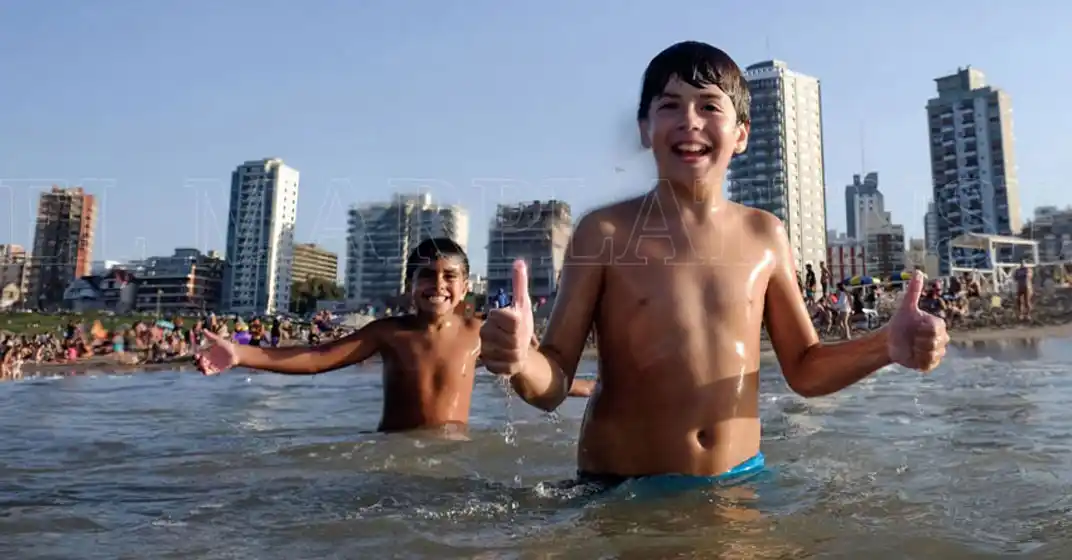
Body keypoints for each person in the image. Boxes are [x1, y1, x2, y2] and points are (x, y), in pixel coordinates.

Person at [480, 41, 948, 484]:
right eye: (669, 106)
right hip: (623, 491)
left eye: (709, 105)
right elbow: (556, 379)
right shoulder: (604, 233)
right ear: (644, 130)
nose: (690, 121)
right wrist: (523, 361)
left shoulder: (765, 234)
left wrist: (886, 346)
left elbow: (805, 368)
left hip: (741, 482)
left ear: (741, 134)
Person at [195, 238, 593, 433]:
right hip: (393, 449)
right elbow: (319, 358)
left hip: (453, 455)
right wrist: (241, 354)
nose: (438, 285)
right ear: (409, 284)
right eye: (426, 276)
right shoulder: (388, 333)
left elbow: (544, 377)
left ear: (466, 285)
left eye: (449, 276)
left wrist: (596, 388)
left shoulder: (480, 333)